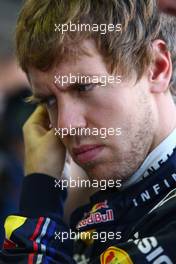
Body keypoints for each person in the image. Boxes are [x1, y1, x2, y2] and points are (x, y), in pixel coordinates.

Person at [1, 0, 176, 263]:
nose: (64, 126)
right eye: (49, 101)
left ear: (156, 67)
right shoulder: (97, 215)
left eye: (84, 87)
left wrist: (41, 192)